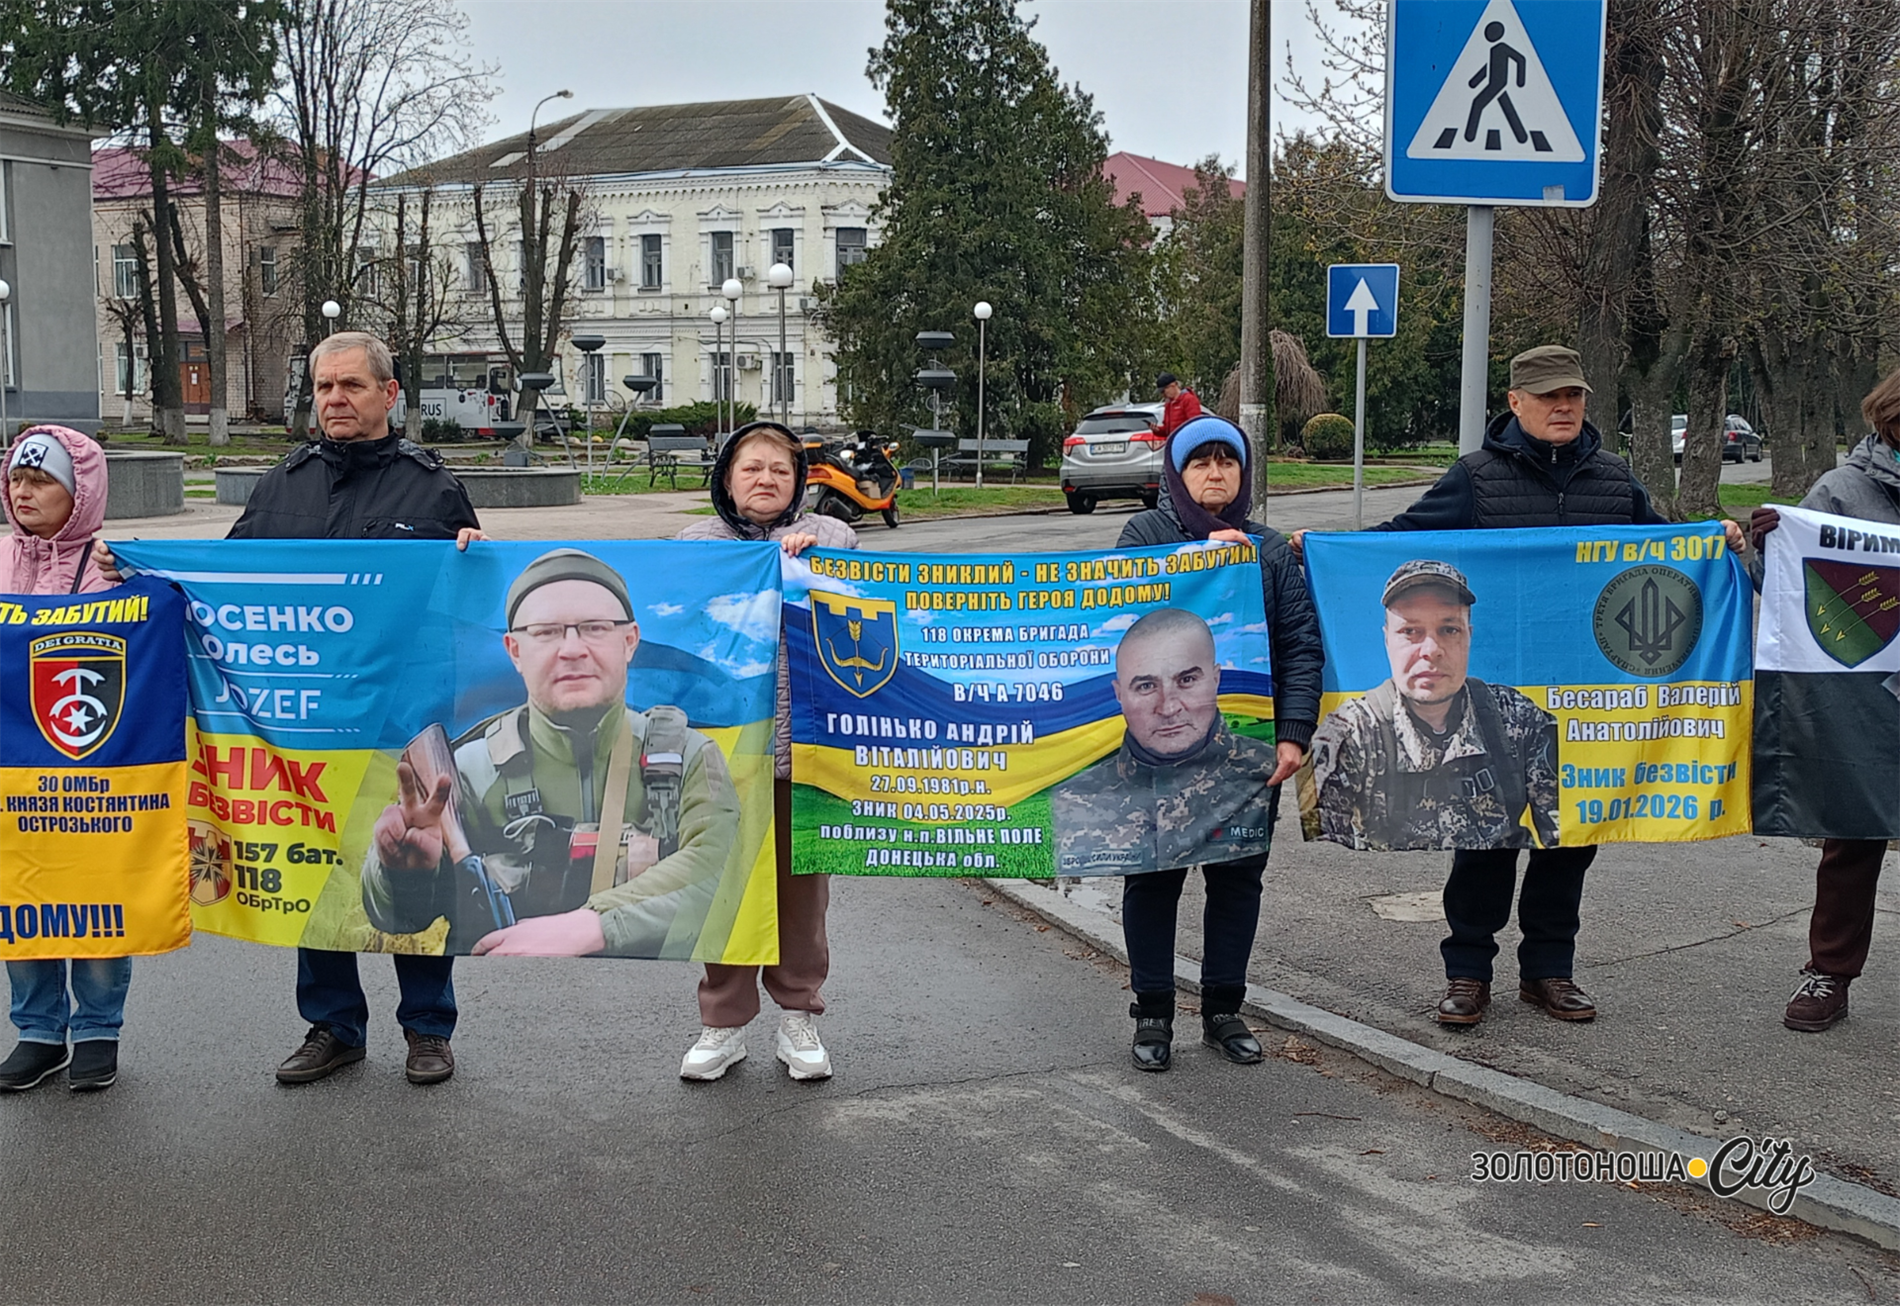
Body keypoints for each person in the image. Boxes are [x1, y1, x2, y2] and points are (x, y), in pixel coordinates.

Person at [1292, 344, 1744, 1029]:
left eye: (1574, 396)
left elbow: (1669, 549)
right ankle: (1468, 974)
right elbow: (1401, 538)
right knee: (1484, 839)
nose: (1563, 407)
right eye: (1548, 396)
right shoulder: (1476, 477)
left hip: (1589, 699)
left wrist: (1719, 539)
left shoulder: (1614, 480)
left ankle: (1549, 972)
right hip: (1491, 701)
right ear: (1515, 403)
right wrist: (1325, 551)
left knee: (1571, 839)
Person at [100, 331, 484, 1086]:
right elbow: (226, 584)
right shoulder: (285, 482)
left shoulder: (432, 487)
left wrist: (477, 553)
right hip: (301, 725)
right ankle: (333, 1026)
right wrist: (145, 569)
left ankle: (428, 1029)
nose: (335, 400)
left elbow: (463, 601)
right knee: (315, 870)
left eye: (351, 387)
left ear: (389, 395)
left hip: (400, 721)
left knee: (420, 859)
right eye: (324, 388)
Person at [361, 548, 741, 961]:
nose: (572, 649)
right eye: (545, 632)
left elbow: (721, 875)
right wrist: (403, 874)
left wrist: (591, 925)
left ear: (630, 641)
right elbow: (400, 919)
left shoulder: (687, 756)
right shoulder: (463, 773)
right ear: (514, 651)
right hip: (506, 1007)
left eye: (595, 628)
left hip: (663, 1010)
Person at [1108, 414, 1323, 1071]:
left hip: (1244, 746)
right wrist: (1198, 564)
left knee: (1237, 879)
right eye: (1199, 463)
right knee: (1154, 878)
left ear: (1243, 473)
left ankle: (1225, 1007)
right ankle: (1153, 1014)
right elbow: (1119, 613)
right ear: (1177, 474)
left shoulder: (1268, 549)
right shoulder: (1144, 534)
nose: (1214, 474)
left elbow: (1300, 645)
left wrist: (1292, 735)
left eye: (1225, 462)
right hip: (1158, 749)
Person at [675, 421, 858, 1081]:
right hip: (721, 752)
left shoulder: (827, 538)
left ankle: (798, 1016)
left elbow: (845, 547)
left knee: (801, 889)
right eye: (751, 468)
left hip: (802, 749)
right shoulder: (699, 544)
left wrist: (807, 550)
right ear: (727, 478)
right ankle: (721, 1024)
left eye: (780, 471)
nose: (765, 481)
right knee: (724, 887)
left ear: (798, 483)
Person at [1750, 366, 1900, 1033]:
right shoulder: (1844, 488)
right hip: (1867, 695)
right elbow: (1786, 581)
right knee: (1853, 831)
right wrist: (1764, 543)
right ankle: (1829, 972)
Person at [0, 427, 124, 1093]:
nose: (24, 492)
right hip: (12, 774)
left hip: (94, 773)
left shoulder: (114, 569)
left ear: (79, 491)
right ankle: (38, 1032)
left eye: (41, 480)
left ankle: (99, 1029)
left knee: (97, 900)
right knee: (22, 899)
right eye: (16, 479)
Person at [1304, 560, 1558, 851]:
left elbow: (1568, 832)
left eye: (1449, 630)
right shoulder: (1349, 732)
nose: (1431, 651)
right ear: (1387, 640)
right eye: (1410, 631)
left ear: (1469, 637)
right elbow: (1320, 852)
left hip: (1490, 885)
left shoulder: (1518, 719)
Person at [1052, 608, 1281, 875]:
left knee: (1235, 888)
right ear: (1119, 695)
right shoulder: (1073, 797)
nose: (1169, 707)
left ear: (1216, 679)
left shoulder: (1259, 766)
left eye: (1187, 680)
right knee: (1149, 890)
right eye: (1146, 686)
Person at [1156, 372, 1203, 438]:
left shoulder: (1188, 400)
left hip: (1186, 442)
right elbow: (1168, 430)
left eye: (1163, 391)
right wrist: (1157, 430)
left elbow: (1195, 424)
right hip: (1174, 442)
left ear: (1173, 385)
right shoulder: (1168, 404)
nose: (1163, 395)